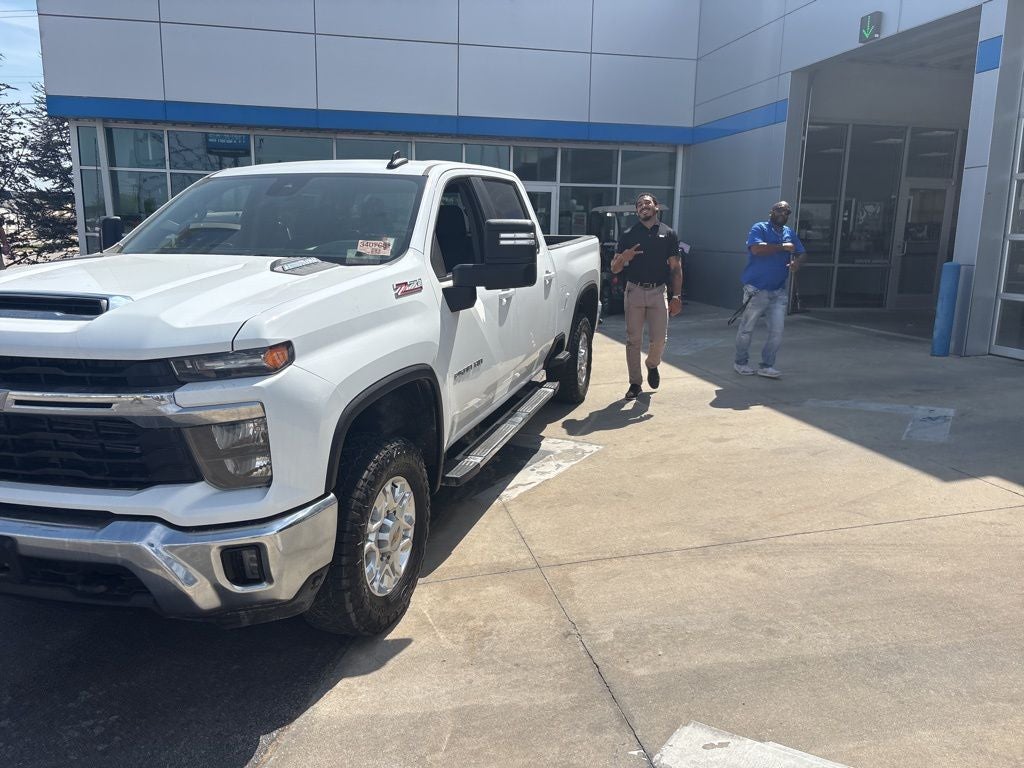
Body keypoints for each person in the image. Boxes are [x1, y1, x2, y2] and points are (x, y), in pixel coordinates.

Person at [610, 193, 683, 400]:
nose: (644, 206)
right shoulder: (628, 234)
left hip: (658, 292)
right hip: (634, 291)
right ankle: (635, 383)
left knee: (659, 339)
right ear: (636, 211)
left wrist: (676, 296)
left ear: (656, 207)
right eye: (640, 205)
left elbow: (676, 268)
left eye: (648, 203)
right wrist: (624, 258)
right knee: (633, 340)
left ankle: (652, 364)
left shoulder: (668, 234)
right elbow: (614, 268)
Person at [734, 200, 806, 379]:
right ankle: (740, 363)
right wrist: (782, 247)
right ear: (771, 212)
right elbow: (756, 249)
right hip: (756, 289)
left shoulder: (789, 232)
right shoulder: (759, 228)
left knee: (777, 331)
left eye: (786, 212)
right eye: (779, 210)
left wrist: (797, 262)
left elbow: (802, 252)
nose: (783, 214)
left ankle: (767, 365)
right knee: (746, 329)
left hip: (778, 291)